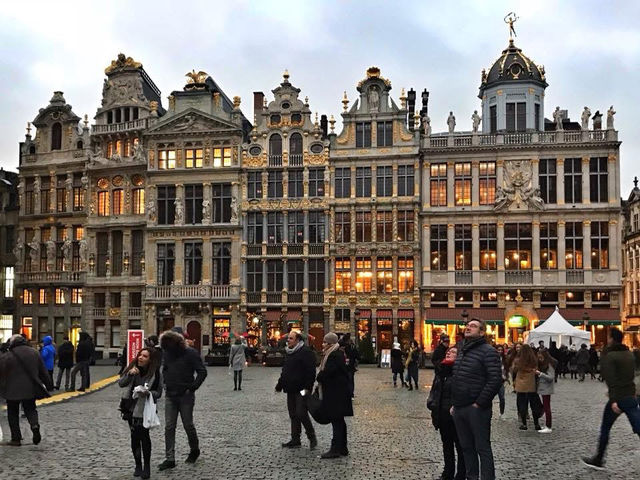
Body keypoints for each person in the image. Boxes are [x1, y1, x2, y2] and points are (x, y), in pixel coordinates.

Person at [450, 318, 502, 480]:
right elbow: (457, 377)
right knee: (466, 448)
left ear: (481, 332)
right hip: (459, 407)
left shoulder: (488, 351)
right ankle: (471, 477)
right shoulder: (463, 350)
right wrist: (454, 403)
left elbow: (495, 379)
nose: (468, 327)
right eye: (467, 325)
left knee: (482, 448)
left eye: (473, 326)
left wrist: (479, 403)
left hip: (477, 409)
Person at [582, 328, 640, 470]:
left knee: (605, 428)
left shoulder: (610, 356)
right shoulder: (629, 354)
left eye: (608, 337)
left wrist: (614, 400)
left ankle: (599, 459)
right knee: (638, 427)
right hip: (630, 396)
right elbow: (634, 375)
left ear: (612, 339)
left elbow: (610, 379)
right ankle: (598, 459)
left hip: (618, 397)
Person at [158, 329, 208, 471]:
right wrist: (165, 383)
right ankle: (170, 458)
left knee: (188, 425)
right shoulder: (167, 353)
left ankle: (194, 449)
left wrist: (192, 387)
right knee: (169, 426)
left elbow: (202, 371)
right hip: (170, 394)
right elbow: (165, 369)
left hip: (186, 394)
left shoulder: (191, 353)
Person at [0, 334, 53, 446]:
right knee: (30, 409)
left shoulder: (8, 356)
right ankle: (34, 426)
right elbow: (43, 371)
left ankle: (16, 438)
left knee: (13, 413)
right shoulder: (34, 352)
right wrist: (49, 385)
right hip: (30, 388)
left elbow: (2, 372)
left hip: (12, 390)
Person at [119, 348, 162, 479]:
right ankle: (138, 464)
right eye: (140, 355)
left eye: (144, 356)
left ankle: (147, 466)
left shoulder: (155, 374)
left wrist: (148, 393)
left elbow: (158, 393)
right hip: (130, 407)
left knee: (144, 436)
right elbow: (121, 383)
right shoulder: (133, 369)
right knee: (134, 437)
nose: (140, 358)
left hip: (145, 408)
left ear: (150, 360)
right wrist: (129, 374)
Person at [428, 345, 466, 480]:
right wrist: (431, 403)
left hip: (455, 415)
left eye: (453, 352)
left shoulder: (460, 371)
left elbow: (463, 392)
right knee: (447, 445)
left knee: (460, 446)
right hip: (442, 414)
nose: (449, 353)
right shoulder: (441, 370)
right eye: (448, 351)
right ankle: (448, 472)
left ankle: (461, 474)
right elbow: (435, 390)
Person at [275, 330, 317, 450]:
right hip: (290, 388)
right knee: (293, 414)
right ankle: (295, 439)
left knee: (301, 412)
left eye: (291, 338)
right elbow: (285, 371)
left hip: (302, 389)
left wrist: (308, 388)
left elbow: (311, 372)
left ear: (298, 340)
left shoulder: (306, 352)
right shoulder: (289, 352)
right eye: (288, 338)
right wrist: (279, 385)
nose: (288, 340)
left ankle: (311, 436)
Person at [316, 332, 353, 459]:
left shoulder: (333, 355)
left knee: (336, 421)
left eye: (325, 342)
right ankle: (343, 447)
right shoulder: (335, 354)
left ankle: (336, 449)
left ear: (330, 343)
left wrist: (319, 376)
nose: (323, 344)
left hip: (336, 393)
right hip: (339, 393)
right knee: (340, 421)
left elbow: (327, 373)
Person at [513, 344, 543, 431]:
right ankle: (536, 423)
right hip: (531, 384)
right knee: (534, 404)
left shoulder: (518, 360)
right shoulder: (533, 360)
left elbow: (514, 371)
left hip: (521, 385)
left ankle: (524, 424)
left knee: (522, 404)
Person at [536, 349, 556, 433]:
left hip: (547, 388)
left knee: (547, 407)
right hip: (544, 388)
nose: (540, 359)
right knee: (546, 406)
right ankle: (547, 425)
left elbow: (551, 377)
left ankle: (548, 426)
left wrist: (540, 374)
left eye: (541, 357)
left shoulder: (549, 365)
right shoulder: (544, 364)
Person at [341, 334, 359, 399]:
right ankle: (351, 394)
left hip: (343, 366)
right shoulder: (352, 347)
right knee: (350, 381)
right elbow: (357, 355)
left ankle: (345, 394)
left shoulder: (341, 346)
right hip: (350, 366)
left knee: (345, 380)